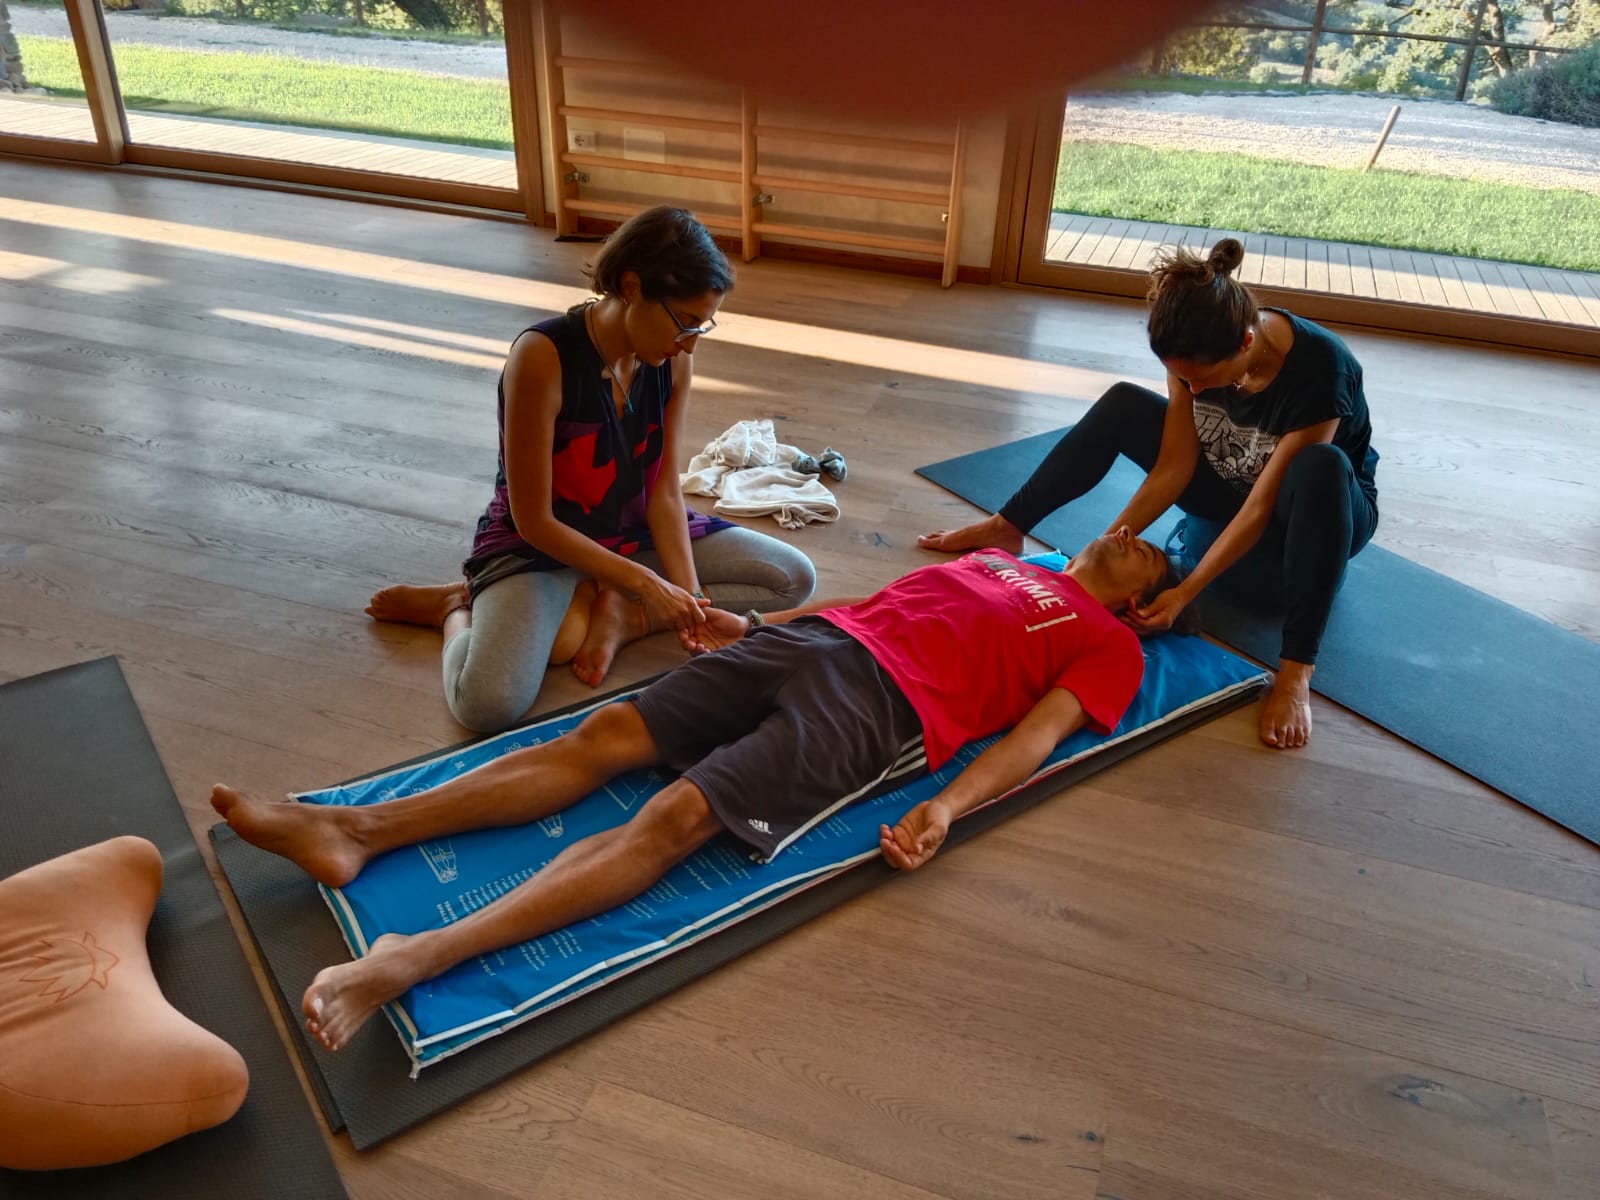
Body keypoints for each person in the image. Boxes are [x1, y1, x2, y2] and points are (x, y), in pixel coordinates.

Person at [211, 528, 1174, 1053]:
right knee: (604, 737)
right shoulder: (999, 558)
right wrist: (768, 626)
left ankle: (413, 958)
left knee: (674, 816)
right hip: (822, 643)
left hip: (885, 715)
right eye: (1131, 528)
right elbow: (871, 603)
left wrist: (950, 808)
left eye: (1149, 551)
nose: (1131, 531)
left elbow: (1043, 735)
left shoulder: (1113, 642)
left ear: (1139, 600)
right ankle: (356, 830)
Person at [365, 206, 815, 733]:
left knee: (792, 577)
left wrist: (690, 606)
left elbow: (665, 494)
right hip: (545, 543)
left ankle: (622, 616)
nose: (691, 341)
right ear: (630, 287)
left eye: (703, 326)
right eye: (685, 322)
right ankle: (454, 607)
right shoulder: (542, 356)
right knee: (486, 704)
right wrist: (648, 582)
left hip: (631, 529)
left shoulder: (673, 358)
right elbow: (534, 520)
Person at [918, 238, 1379, 751]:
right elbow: (1174, 466)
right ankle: (1009, 526)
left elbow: (1260, 508)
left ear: (1246, 344)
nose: (1194, 390)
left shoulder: (1320, 371)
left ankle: (1297, 671)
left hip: (1313, 508)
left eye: (1202, 380)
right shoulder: (1192, 347)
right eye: (1183, 378)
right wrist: (1104, 551)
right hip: (1231, 482)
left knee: (1322, 465)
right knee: (1123, 403)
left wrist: (1185, 593)